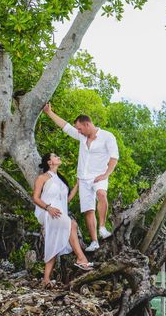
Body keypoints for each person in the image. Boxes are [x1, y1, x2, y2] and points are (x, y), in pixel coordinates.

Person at [43, 103, 119, 252]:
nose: (78, 131)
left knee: (102, 194)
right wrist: (49, 112)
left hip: (100, 176)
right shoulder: (82, 136)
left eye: (80, 128)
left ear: (87, 124)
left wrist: (106, 175)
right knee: (88, 210)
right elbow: (64, 126)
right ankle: (95, 242)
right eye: (77, 129)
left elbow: (114, 158)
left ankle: (103, 228)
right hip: (83, 178)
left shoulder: (107, 136)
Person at [33, 153, 93, 287]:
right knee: (72, 224)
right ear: (49, 162)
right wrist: (48, 208)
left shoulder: (60, 179)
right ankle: (81, 258)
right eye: (55, 156)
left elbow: (65, 201)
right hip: (49, 213)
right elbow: (35, 198)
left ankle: (46, 279)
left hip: (59, 213)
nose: (59, 157)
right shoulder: (42, 177)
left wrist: (77, 185)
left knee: (54, 243)